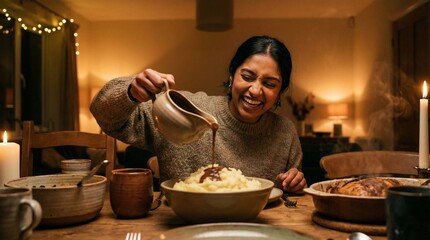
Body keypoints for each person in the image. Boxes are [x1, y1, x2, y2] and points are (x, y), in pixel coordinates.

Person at [90, 35, 307, 193]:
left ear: (280, 91)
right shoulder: (183, 110)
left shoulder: (285, 132)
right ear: (232, 76)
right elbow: (105, 117)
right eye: (247, 76)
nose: (255, 90)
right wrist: (131, 90)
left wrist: (295, 183)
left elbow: (289, 198)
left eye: (269, 84)